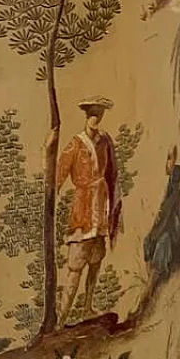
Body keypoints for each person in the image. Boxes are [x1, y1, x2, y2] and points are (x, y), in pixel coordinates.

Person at [56, 98, 121, 324]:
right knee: (75, 265)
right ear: (86, 115)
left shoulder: (105, 141)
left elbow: (112, 173)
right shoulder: (76, 144)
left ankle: (87, 307)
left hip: (100, 207)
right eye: (93, 113)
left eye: (99, 113)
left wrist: (114, 208)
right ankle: (61, 318)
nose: (96, 117)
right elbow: (59, 174)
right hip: (83, 208)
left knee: (96, 260)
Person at [143, 145, 180, 286]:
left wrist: (163, 214)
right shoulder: (170, 182)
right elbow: (163, 206)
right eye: (167, 158)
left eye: (170, 158)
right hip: (164, 222)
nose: (167, 163)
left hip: (173, 226)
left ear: (175, 160)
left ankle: (155, 281)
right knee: (148, 240)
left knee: (163, 242)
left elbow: (172, 207)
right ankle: (150, 280)